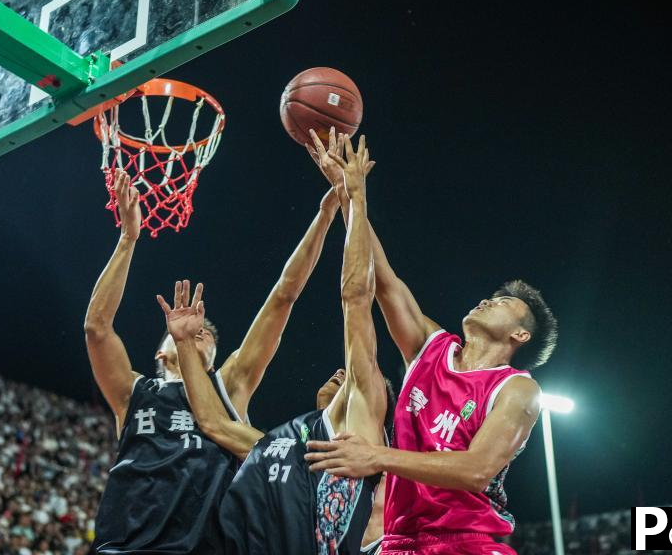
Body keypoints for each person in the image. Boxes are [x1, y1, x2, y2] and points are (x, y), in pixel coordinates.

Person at [304, 134, 559, 555]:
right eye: (491, 295)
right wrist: (352, 194)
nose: (487, 300)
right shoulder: (431, 347)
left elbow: (476, 470)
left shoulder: (517, 389)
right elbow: (380, 275)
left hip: (469, 544)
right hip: (399, 542)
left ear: (520, 335)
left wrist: (378, 456)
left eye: (503, 303)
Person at [84, 166, 343, 553]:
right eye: (194, 332)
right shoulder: (133, 391)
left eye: (210, 337)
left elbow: (283, 296)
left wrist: (326, 212)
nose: (203, 331)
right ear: (161, 351)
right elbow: (96, 328)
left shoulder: (230, 386)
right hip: (124, 546)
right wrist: (127, 238)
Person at [157, 133, 389, 555]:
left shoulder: (358, 438)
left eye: (352, 377)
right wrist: (186, 344)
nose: (339, 375)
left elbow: (356, 297)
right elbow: (213, 423)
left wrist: (356, 197)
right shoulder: (291, 443)